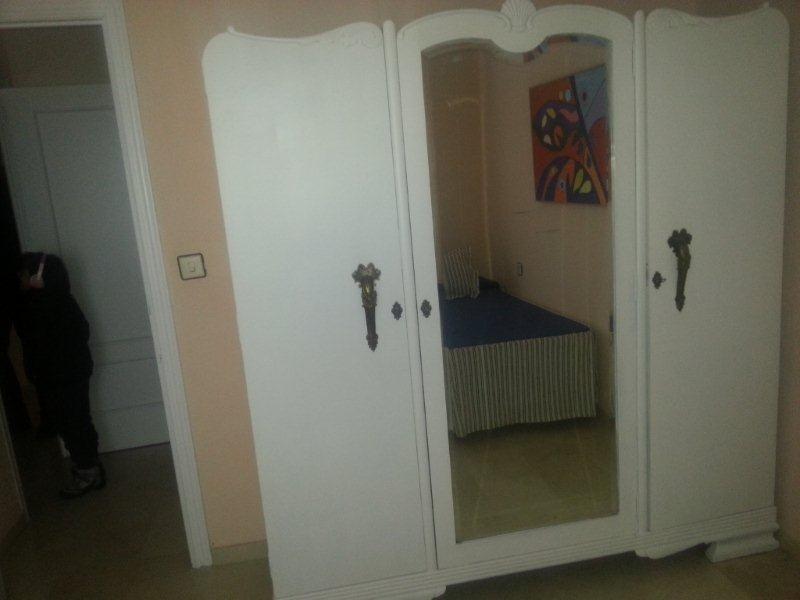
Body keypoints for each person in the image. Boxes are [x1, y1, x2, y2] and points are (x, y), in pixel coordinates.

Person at [14, 252, 104, 498]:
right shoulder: (40, 302)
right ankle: (89, 467)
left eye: (24, 274)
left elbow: (73, 335)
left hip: (65, 374)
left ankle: (88, 471)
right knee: (72, 421)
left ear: (38, 276)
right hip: (59, 374)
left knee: (74, 422)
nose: (21, 278)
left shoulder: (54, 302)